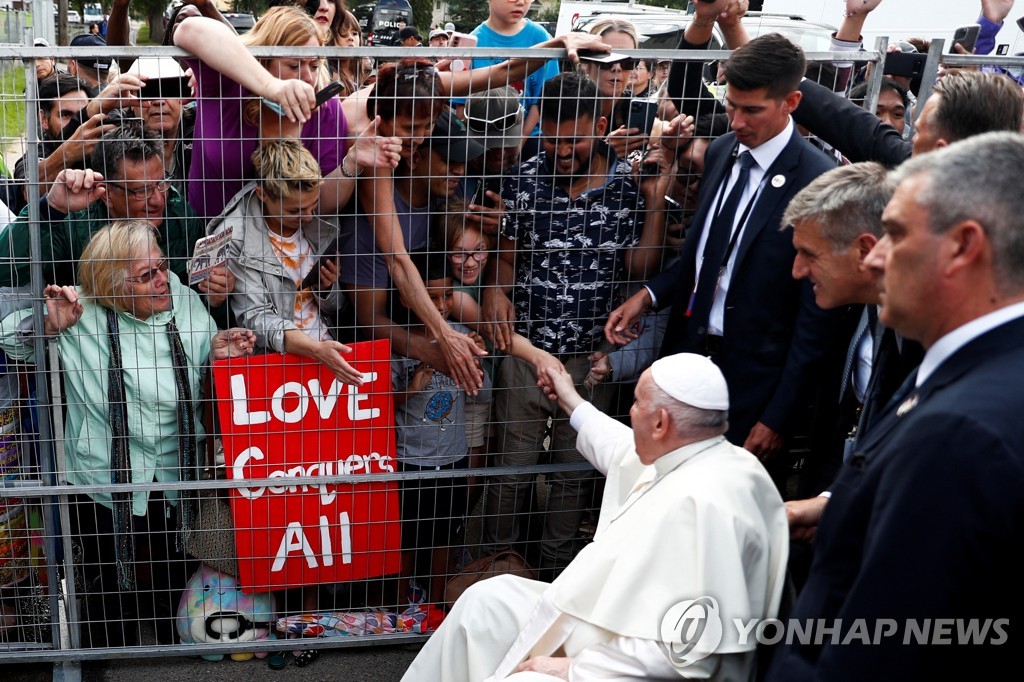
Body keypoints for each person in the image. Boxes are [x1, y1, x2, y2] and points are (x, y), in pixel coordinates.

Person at [767, 130, 1024, 681]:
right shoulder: (972, 372)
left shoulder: (961, 431)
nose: (875, 257)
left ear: (962, 246)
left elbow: (887, 646)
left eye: (895, 234)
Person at [403, 353, 788, 681]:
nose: (629, 411)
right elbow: (617, 445)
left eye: (636, 403)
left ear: (660, 424)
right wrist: (569, 397)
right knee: (487, 601)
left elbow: (691, 654)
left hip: (633, 662)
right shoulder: (691, 451)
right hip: (616, 622)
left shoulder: (710, 503)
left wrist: (573, 668)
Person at [0, 220, 255, 647]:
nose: (162, 280)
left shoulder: (185, 302)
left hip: (175, 470)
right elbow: (9, 339)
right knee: (106, 588)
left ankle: (170, 643)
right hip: (103, 475)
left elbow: (211, 382)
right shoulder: (82, 311)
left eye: (161, 266)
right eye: (146, 275)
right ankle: (107, 649)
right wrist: (48, 322)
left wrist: (219, 355)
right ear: (111, 285)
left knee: (171, 575)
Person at [607, 22, 838, 472]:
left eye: (752, 110)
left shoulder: (818, 181)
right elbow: (704, 256)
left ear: (791, 102)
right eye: (731, 106)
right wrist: (649, 295)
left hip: (754, 385)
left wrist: (777, 416)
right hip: (687, 360)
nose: (736, 122)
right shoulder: (720, 153)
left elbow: (816, 320)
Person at [481, 72, 671, 576]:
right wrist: (496, 290)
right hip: (527, 348)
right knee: (511, 469)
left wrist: (653, 201)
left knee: (575, 471)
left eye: (574, 141)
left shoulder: (628, 190)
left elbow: (642, 270)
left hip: (591, 359)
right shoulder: (523, 177)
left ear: (602, 125)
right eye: (551, 138)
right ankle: (498, 568)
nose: (561, 151)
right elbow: (507, 252)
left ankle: (556, 574)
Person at [172, 5, 399, 219]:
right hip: (211, 243)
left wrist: (352, 162)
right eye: (294, 66)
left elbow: (321, 204)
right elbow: (188, 29)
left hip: (285, 251)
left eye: (314, 65)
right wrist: (270, 87)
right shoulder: (227, 84)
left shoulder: (326, 108)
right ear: (263, 60)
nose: (308, 78)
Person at [0, 125, 231, 313]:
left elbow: (198, 307)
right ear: (107, 194)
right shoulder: (75, 222)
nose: (158, 200)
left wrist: (216, 297)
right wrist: (51, 207)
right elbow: (6, 271)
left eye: (161, 183)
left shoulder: (178, 212)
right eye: (141, 191)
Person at [208, 139, 363, 385]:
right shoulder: (235, 236)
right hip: (277, 364)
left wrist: (327, 289)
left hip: (329, 352)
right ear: (263, 194)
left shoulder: (320, 218)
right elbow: (256, 319)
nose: (308, 217)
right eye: (295, 211)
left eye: (312, 206)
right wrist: (315, 350)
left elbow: (340, 309)